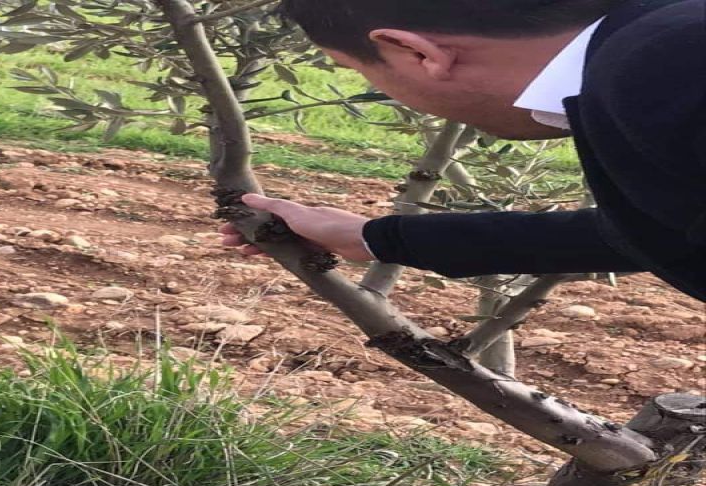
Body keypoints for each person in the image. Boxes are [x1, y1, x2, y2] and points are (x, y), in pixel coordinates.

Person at [220, 0, 706, 303]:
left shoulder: (666, 68)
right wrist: (373, 238)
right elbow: (659, 230)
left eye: (353, 69)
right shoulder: (656, 46)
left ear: (415, 52)